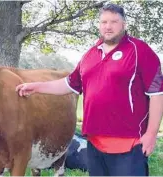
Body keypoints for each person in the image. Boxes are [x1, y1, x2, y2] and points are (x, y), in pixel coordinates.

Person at [16, 3, 163, 176]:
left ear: (123, 24)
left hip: (129, 145)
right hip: (95, 145)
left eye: (114, 22)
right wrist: (37, 87)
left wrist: (152, 134)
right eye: (104, 22)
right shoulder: (90, 55)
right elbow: (69, 84)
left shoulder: (140, 51)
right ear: (99, 25)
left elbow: (157, 94)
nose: (108, 26)